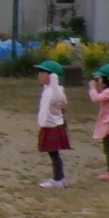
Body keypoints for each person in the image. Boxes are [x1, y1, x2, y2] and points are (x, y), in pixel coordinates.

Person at [36, 59, 70, 187]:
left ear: (52, 76)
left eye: (43, 73)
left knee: (54, 153)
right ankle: (58, 178)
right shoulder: (48, 89)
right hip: (49, 124)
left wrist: (55, 81)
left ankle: (59, 179)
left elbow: (60, 100)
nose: (39, 75)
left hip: (53, 126)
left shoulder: (56, 91)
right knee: (53, 154)